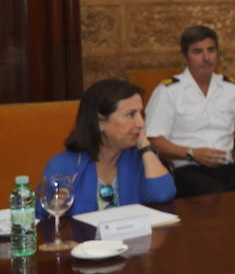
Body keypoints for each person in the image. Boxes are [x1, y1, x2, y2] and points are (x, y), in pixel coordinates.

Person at [144, 25, 235, 196]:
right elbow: (153, 139)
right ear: (185, 57)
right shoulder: (168, 91)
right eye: (198, 52)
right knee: (213, 194)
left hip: (227, 169)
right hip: (187, 169)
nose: (207, 58)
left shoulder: (231, 88)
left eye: (211, 50)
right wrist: (191, 153)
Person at [41, 78, 175, 217]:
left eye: (141, 114)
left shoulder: (139, 159)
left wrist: (145, 146)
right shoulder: (64, 165)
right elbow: (41, 217)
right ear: (100, 122)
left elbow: (163, 195)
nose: (141, 123)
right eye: (131, 114)